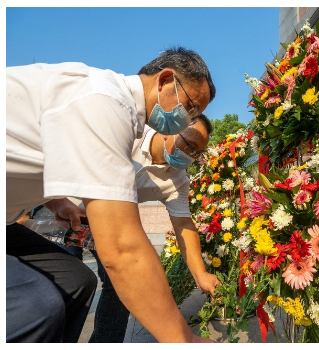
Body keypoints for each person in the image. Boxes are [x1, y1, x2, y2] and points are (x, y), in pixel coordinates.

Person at [6, 46, 217, 343]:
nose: (187, 119)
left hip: (68, 216)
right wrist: (183, 338)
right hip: (77, 223)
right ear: (165, 80)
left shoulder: (168, 168)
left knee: (77, 281)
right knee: (39, 305)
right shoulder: (108, 105)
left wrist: (56, 200)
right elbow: (122, 249)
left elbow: (37, 154)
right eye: (190, 108)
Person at [60, 114, 216, 343]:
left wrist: (200, 274)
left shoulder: (178, 180)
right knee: (67, 282)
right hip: (64, 207)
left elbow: (183, 223)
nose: (191, 156)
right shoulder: (129, 133)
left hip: (106, 219)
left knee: (121, 284)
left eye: (198, 153)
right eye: (189, 145)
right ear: (169, 128)